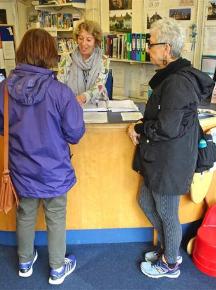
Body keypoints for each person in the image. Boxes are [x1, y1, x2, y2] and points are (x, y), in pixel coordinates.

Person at [128, 18, 214, 279]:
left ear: (166, 49)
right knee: (145, 200)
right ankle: (169, 248)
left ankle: (171, 263)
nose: (148, 50)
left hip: (170, 160)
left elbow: (167, 127)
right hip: (160, 157)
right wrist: (142, 124)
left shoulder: (177, 82)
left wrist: (141, 129)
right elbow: (165, 117)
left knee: (167, 212)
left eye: (151, 44)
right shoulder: (171, 77)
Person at [0, 28, 85, 285]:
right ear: (50, 54)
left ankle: (25, 261)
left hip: (21, 169)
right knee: (56, 216)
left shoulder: (4, 89)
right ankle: (57, 269)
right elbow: (75, 134)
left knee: (25, 212)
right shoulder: (60, 92)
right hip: (54, 169)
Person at [64, 20, 110, 105]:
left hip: (97, 105)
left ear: (95, 41)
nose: (83, 43)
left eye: (88, 40)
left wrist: (84, 97)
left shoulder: (104, 60)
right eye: (80, 38)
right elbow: (60, 84)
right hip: (71, 104)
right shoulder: (67, 58)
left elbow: (99, 86)